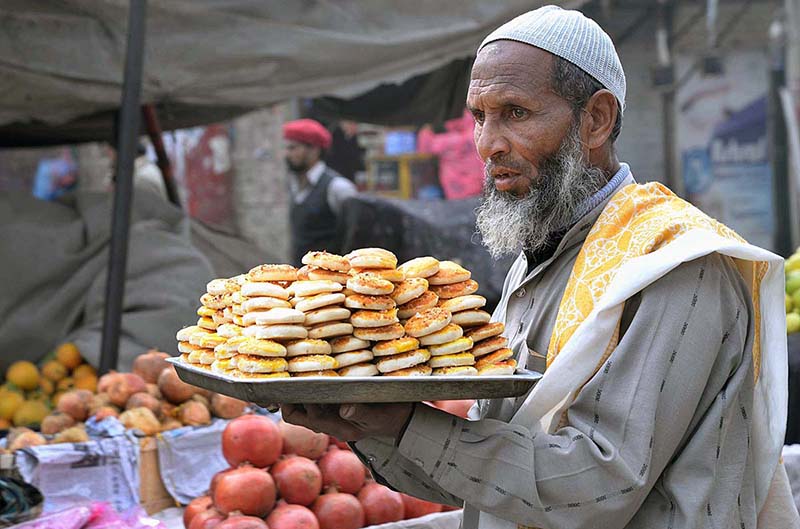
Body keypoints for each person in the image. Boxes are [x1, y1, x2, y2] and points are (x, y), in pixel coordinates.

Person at [281, 6, 796, 529]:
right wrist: (365, 424)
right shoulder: (540, 257)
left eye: (515, 113)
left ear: (596, 119)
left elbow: (599, 485)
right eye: (479, 116)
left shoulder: (673, 264)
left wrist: (408, 426)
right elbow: (488, 469)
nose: (487, 144)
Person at [284, 118, 357, 265]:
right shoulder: (293, 185)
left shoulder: (338, 187)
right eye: (287, 148)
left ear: (314, 150)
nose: (287, 154)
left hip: (332, 280)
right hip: (303, 279)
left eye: (293, 148)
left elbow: (355, 235)